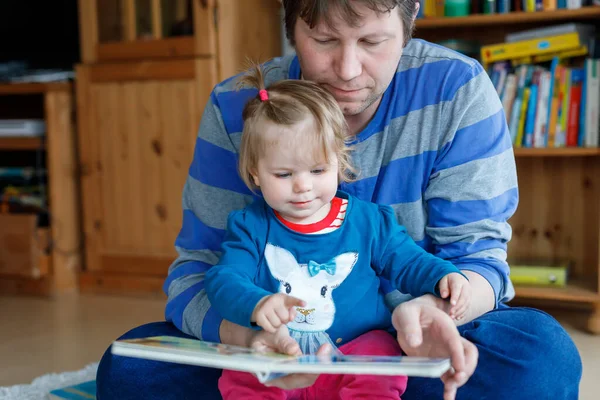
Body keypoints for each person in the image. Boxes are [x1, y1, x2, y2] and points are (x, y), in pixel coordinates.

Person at [96, 1, 582, 399]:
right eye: (324, 40)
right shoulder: (237, 107)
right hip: (270, 352)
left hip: (400, 347)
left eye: (372, 41)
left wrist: (435, 313)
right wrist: (251, 342)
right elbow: (199, 273)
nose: (348, 71)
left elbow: (478, 264)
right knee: (129, 369)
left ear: (410, 18)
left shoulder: (458, 90)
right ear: (291, 24)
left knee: (540, 360)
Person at [204, 65, 471, 399]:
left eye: (317, 169)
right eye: (284, 174)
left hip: (356, 348)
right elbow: (223, 280)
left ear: (339, 162)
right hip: (280, 350)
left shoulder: (369, 221)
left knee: (382, 353)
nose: (303, 186)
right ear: (255, 173)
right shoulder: (250, 227)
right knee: (239, 372)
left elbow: (408, 261)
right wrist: (256, 304)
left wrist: (442, 276)